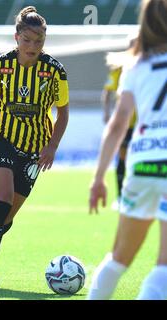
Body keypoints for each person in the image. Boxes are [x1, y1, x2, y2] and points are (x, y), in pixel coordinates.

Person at [0, 6, 69, 291]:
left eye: (39, 41)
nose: (33, 47)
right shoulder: (0, 65)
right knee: (2, 199)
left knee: (6, 217)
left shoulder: (55, 71)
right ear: (16, 37)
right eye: (27, 40)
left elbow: (63, 111)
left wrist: (52, 144)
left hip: (35, 148)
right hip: (0, 138)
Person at [88, 0, 167, 300]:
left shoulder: (136, 67)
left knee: (119, 257)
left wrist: (97, 179)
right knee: (164, 266)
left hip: (142, 164)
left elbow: (118, 124)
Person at [101, 39, 137, 211]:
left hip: (143, 124)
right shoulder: (120, 68)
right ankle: (121, 197)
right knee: (122, 158)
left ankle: (134, 196)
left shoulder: (147, 66)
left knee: (138, 160)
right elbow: (108, 91)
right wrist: (107, 113)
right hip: (126, 123)